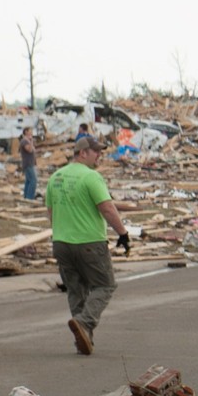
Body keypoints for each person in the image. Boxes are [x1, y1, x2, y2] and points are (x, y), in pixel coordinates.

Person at [46, 137, 131, 355]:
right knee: (105, 285)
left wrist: (61, 232)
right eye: (96, 152)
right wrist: (122, 233)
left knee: (76, 291)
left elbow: (51, 213)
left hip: (62, 243)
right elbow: (107, 208)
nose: (99, 156)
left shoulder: (55, 178)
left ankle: (84, 340)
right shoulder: (91, 177)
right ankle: (85, 322)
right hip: (89, 241)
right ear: (82, 153)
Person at [19, 127, 37, 200]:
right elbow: (29, 150)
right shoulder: (24, 141)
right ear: (26, 132)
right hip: (28, 164)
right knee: (33, 180)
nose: (31, 132)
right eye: (30, 131)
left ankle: (26, 196)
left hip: (30, 163)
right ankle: (30, 197)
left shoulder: (27, 141)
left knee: (28, 180)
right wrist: (31, 141)